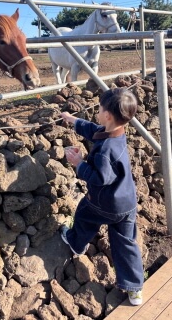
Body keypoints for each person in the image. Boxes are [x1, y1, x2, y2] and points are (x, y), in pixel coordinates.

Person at [60, 87, 144, 306]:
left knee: (83, 215)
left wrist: (79, 164)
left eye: (99, 108)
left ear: (107, 115)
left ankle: (76, 243)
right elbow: (94, 130)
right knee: (126, 244)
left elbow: (99, 179)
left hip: (104, 204)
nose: (97, 111)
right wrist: (73, 120)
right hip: (126, 203)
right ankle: (134, 288)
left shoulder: (106, 149)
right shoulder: (116, 134)